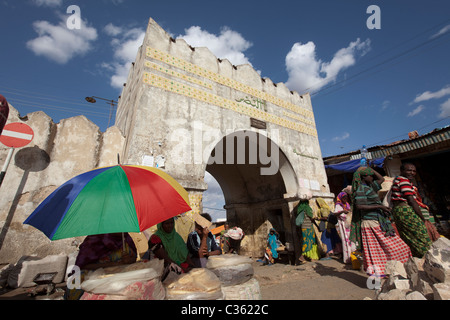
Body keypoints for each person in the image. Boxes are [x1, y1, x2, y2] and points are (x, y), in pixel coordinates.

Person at [350, 167, 412, 277]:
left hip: (377, 220)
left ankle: (391, 269)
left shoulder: (370, 187)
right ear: (364, 177)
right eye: (370, 176)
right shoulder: (361, 189)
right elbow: (359, 206)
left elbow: (381, 179)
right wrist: (379, 206)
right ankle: (379, 272)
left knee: (384, 247)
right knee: (381, 248)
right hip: (370, 222)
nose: (372, 177)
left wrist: (369, 169)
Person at [65, 232, 137, 300]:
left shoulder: (126, 239)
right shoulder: (94, 240)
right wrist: (112, 265)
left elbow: (133, 259)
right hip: (91, 276)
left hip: (120, 275)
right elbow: (83, 265)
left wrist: (129, 260)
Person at [391, 163, 433, 257]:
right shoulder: (403, 180)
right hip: (405, 211)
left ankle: (418, 258)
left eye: (414, 171)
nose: (412, 173)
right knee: (421, 235)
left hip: (399, 211)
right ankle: (428, 257)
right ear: (402, 171)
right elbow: (411, 200)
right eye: (409, 170)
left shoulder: (400, 180)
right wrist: (422, 218)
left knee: (410, 236)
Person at [334, 191, 356, 264]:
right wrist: (342, 211)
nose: (345, 199)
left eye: (346, 198)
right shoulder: (338, 205)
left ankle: (352, 256)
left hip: (348, 224)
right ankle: (347, 258)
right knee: (345, 240)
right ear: (340, 198)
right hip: (342, 224)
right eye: (344, 198)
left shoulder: (347, 204)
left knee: (351, 240)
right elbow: (335, 214)